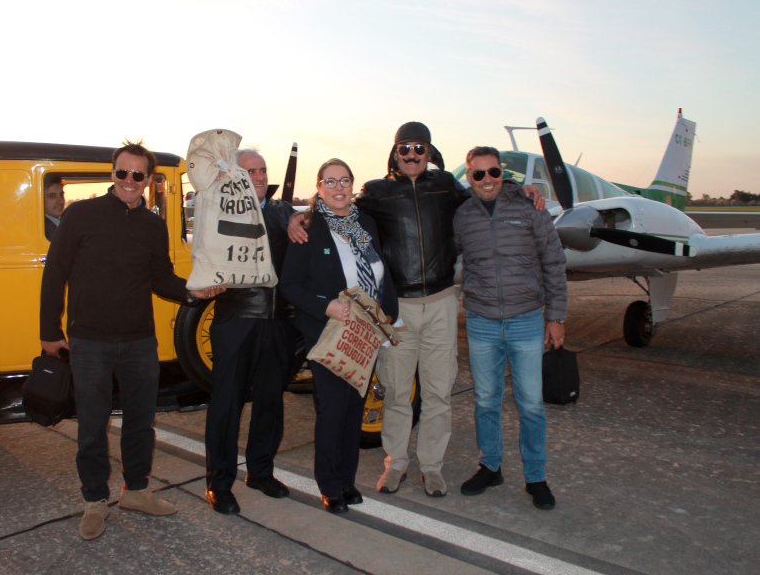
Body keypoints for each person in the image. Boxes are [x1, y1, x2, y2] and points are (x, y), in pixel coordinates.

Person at [289, 122, 543, 498]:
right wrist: (298, 217)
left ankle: (432, 467)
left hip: (441, 302)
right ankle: (396, 465)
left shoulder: (445, 187)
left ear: (429, 152)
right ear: (395, 153)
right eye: (404, 148)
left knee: (439, 394)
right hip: (398, 308)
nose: (412, 155)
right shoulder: (375, 193)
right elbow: (339, 210)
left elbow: (481, 188)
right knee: (395, 393)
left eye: (419, 148)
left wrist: (516, 188)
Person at [40, 140, 223, 540]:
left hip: (139, 341)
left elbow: (161, 280)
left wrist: (195, 291)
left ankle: (136, 491)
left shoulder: (153, 226)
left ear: (148, 180)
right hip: (89, 341)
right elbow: (54, 274)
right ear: (113, 173)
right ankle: (94, 501)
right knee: (91, 426)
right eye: (122, 172)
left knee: (141, 423)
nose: (129, 180)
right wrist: (50, 333)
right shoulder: (80, 215)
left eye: (137, 175)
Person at [281, 159, 399, 513]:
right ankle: (330, 484)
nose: (338, 187)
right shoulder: (308, 228)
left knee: (353, 409)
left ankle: (347, 480)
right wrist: (325, 305)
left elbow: (380, 271)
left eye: (344, 180)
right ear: (318, 188)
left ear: (352, 185)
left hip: (365, 334)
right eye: (329, 181)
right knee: (333, 410)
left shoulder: (365, 224)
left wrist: (389, 314)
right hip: (329, 333)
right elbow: (289, 285)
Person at [453, 146, 567, 510]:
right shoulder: (461, 215)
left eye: (494, 172)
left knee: (531, 404)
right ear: (469, 177)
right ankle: (490, 466)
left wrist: (556, 316)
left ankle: (536, 476)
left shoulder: (530, 208)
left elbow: (554, 262)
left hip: (526, 320)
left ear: (503, 173)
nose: (488, 180)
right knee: (486, 401)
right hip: (482, 321)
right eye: (478, 174)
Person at [204, 149, 298, 515]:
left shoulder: (282, 212)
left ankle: (260, 471)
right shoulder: (219, 212)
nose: (259, 176)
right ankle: (219, 482)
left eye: (262, 170)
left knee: (271, 403)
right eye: (250, 171)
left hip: (278, 324)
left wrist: (298, 219)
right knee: (226, 404)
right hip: (236, 321)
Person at [43, 173, 65, 241]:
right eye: (52, 196)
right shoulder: (46, 231)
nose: (60, 201)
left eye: (61, 195)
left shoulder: (58, 224)